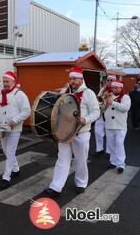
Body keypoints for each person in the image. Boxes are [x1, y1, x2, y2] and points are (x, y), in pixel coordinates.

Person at [44, 67, 100, 197]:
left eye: (74, 78)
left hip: (81, 132)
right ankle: (56, 187)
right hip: (64, 132)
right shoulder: (65, 91)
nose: (72, 81)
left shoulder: (89, 93)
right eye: (70, 78)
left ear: (81, 79)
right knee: (62, 159)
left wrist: (85, 119)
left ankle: (81, 183)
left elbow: (96, 112)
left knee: (81, 160)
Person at [0, 71, 31, 189]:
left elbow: (26, 111)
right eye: (4, 82)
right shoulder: (0, 94)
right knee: (5, 150)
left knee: (10, 151)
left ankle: (6, 177)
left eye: (7, 81)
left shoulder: (20, 94)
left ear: (13, 81)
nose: (5, 84)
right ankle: (16, 168)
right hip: (1, 127)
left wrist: (15, 120)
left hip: (14, 128)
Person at [104, 80, 131, 174]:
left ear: (121, 88)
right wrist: (105, 104)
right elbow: (102, 109)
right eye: (113, 87)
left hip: (120, 125)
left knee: (119, 144)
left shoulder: (125, 97)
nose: (114, 89)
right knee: (111, 145)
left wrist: (113, 103)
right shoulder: (108, 96)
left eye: (116, 87)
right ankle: (113, 161)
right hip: (109, 125)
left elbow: (125, 108)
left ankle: (121, 164)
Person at [94, 75, 116, 158]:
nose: (109, 82)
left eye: (111, 80)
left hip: (110, 114)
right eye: (108, 80)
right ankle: (99, 149)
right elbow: (98, 98)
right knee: (98, 132)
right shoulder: (103, 89)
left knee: (109, 134)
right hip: (100, 113)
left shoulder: (115, 90)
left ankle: (109, 151)